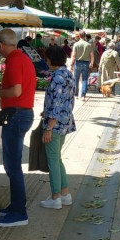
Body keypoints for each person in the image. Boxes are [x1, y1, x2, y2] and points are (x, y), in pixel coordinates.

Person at [0, 29, 37, 228]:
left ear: (1, 45)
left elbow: (15, 90)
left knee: (12, 166)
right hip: (21, 113)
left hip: (16, 114)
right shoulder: (22, 58)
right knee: (12, 164)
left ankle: (19, 212)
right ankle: (15, 206)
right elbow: (18, 87)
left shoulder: (13, 60)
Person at [39, 45, 75, 210]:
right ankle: (65, 193)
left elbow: (57, 102)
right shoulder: (68, 74)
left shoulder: (57, 77)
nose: (45, 61)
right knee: (58, 158)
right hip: (65, 122)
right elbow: (64, 100)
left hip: (55, 124)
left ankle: (55, 197)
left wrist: (49, 127)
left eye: (47, 58)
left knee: (53, 160)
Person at [71, 31, 94, 101]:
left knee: (76, 79)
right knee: (84, 79)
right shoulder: (88, 45)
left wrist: (71, 64)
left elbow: (73, 56)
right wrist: (92, 63)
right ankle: (83, 95)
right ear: (85, 36)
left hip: (77, 63)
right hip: (86, 63)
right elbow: (92, 55)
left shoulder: (76, 44)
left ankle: (76, 94)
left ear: (79, 36)